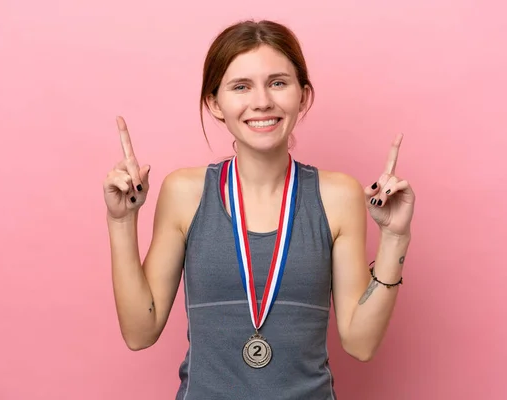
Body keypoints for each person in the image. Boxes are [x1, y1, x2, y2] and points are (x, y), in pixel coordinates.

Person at [103, 19, 415, 400]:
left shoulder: (338, 195)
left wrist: (395, 238)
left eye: (278, 82)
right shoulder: (185, 192)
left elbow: (361, 344)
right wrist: (122, 221)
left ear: (303, 95)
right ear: (215, 103)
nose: (262, 101)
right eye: (241, 87)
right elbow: (140, 331)